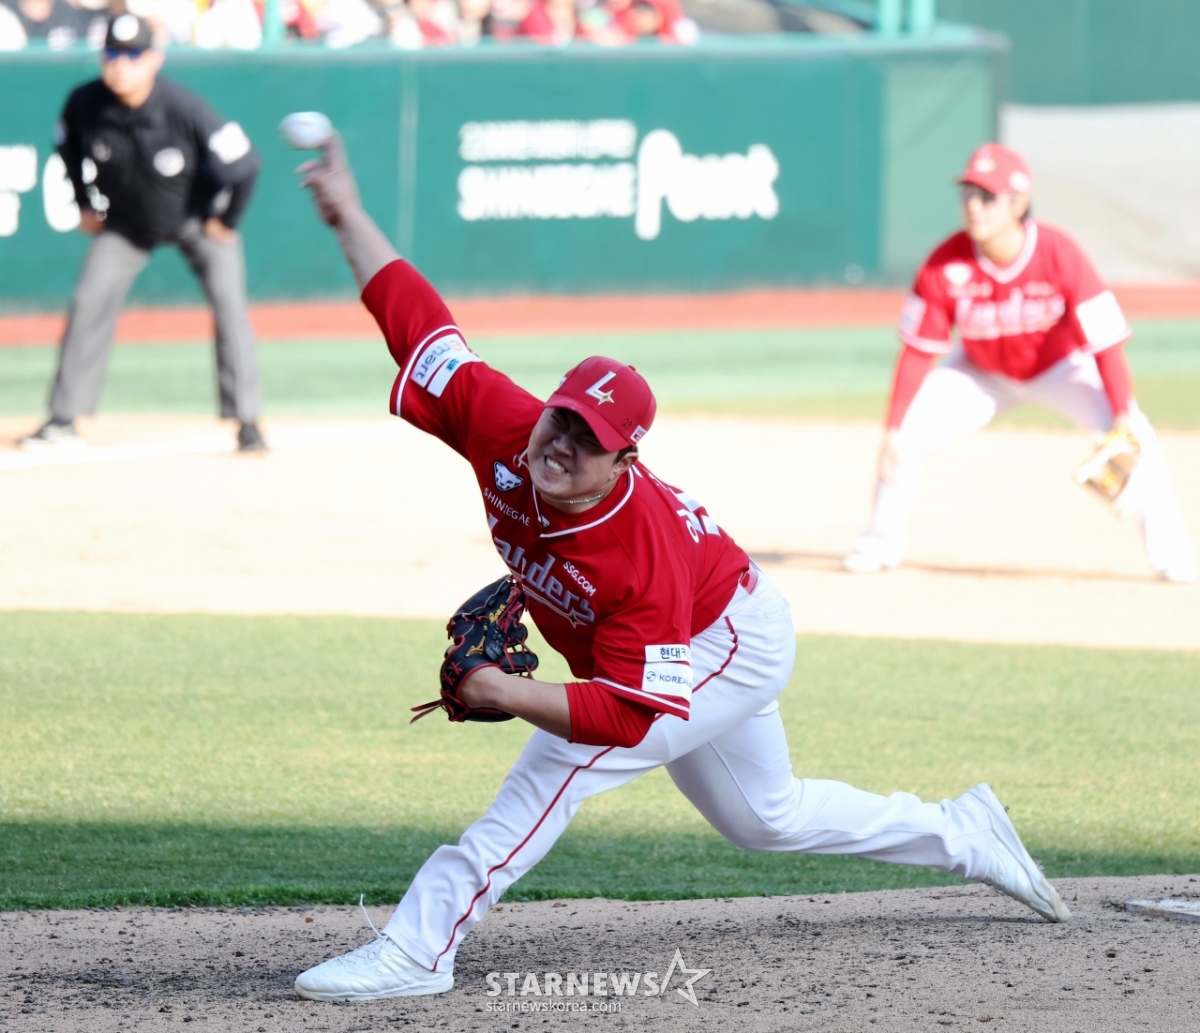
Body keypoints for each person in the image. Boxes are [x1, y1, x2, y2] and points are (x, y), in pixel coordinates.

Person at [289, 130, 1071, 1002]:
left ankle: (419, 946)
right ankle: (964, 831)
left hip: (725, 636)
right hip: (686, 634)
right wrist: (347, 214)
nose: (561, 445)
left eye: (589, 440)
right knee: (764, 816)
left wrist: (505, 691)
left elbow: (627, 714)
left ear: (624, 460)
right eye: (561, 419)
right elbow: (418, 323)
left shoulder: (639, 550)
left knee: (556, 767)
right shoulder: (503, 421)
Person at [843, 143, 1197, 584]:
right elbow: (918, 350)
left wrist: (1122, 415)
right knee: (909, 431)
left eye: (986, 196)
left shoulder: (1059, 253)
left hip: (1062, 368)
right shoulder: (945, 263)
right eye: (968, 194)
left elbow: (1106, 342)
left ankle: (1173, 556)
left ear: (1018, 203)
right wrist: (893, 427)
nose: (974, 206)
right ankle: (878, 543)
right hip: (982, 372)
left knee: (1137, 436)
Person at [19, 13, 266, 453]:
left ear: (154, 58)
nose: (120, 64)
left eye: (132, 54)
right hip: (127, 226)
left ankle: (246, 420)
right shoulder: (84, 102)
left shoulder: (184, 106)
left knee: (230, 305)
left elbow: (246, 165)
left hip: (196, 220)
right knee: (88, 299)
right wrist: (83, 202)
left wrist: (227, 222)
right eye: (112, 53)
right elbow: (66, 148)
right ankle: (63, 418)